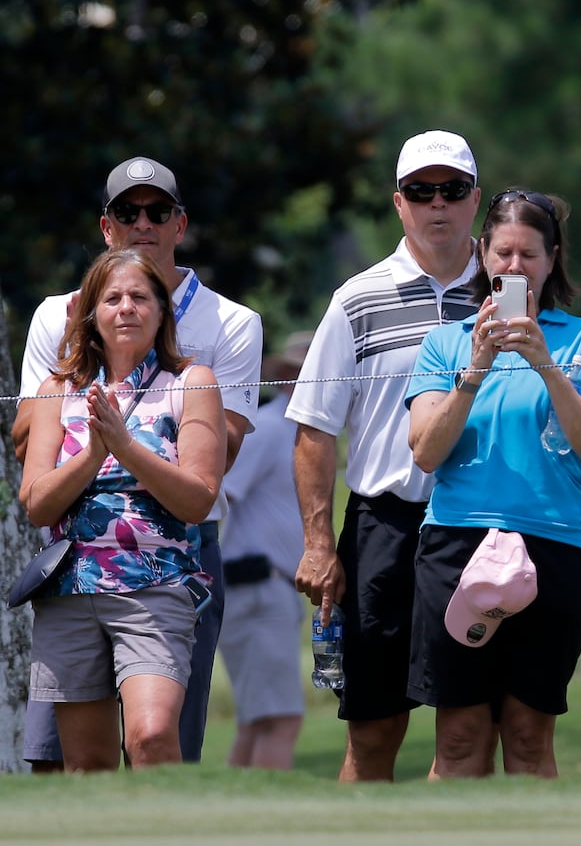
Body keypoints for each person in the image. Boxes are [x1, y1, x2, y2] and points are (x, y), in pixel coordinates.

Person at [14, 155, 262, 767]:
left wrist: (123, 447)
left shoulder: (229, 329)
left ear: (181, 223)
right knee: (72, 765)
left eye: (158, 211)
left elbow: (213, 466)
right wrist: (100, 450)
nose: (143, 223)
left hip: (169, 565)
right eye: (128, 211)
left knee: (158, 739)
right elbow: (29, 458)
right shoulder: (56, 339)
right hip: (72, 574)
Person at [405, 189, 581, 778]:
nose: (514, 267)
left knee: (529, 735)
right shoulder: (447, 342)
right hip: (457, 542)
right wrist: (473, 371)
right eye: (502, 252)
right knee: (459, 734)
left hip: (555, 546)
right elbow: (426, 452)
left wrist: (547, 366)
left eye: (529, 254)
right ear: (483, 254)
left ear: (553, 259)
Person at [287, 129, 481, 782]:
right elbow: (314, 429)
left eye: (451, 190)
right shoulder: (357, 297)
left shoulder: (507, 292)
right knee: (373, 730)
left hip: (482, 521)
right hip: (384, 525)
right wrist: (318, 544)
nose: (438, 205)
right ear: (398, 203)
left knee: (470, 728)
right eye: (421, 192)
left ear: (473, 199)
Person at [218, 331, 314, 769]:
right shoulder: (273, 428)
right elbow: (217, 496)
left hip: (266, 586)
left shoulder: (297, 431)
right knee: (279, 719)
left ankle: (233, 816)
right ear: (292, 378)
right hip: (256, 584)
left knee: (259, 721)